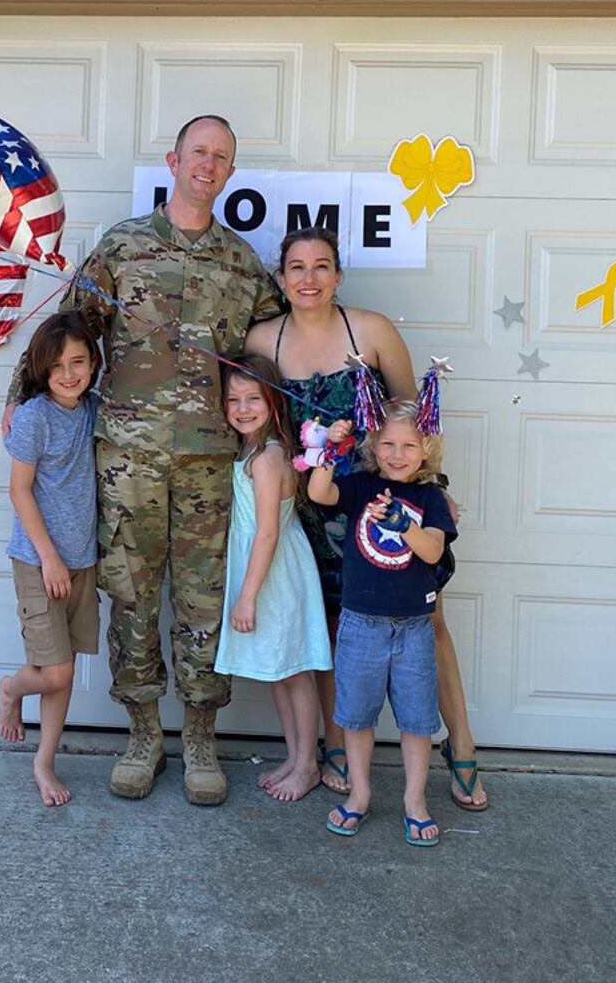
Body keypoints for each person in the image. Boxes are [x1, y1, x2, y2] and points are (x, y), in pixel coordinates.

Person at [4, 114, 283, 805]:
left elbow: (274, 354)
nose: (207, 165)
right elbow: (68, 330)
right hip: (126, 458)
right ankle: (141, 734)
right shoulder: (122, 247)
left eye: (221, 156)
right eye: (198, 152)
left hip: (208, 463)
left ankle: (198, 736)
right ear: (173, 160)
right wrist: (20, 394)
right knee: (129, 597)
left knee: (201, 602)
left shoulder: (243, 264)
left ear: (229, 171)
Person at [244, 227, 489, 810]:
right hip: (314, 504)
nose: (309, 278)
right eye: (297, 267)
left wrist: (436, 489)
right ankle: (335, 746)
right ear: (280, 278)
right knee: (335, 626)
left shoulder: (371, 330)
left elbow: (418, 419)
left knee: (428, 625)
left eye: (322, 266)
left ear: (338, 275)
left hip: (386, 507)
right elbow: (245, 412)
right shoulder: (260, 338)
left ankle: (462, 746)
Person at [307, 401, 457, 846]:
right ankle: (360, 794)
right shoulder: (361, 487)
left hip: (413, 629)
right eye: (387, 443)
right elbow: (320, 494)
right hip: (360, 625)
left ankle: (415, 800)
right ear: (373, 445)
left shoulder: (431, 499)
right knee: (356, 717)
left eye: (409, 445)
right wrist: (330, 453)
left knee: (417, 721)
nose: (397, 453)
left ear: (426, 449)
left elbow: (431, 551)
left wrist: (401, 524)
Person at [213, 354, 333, 802]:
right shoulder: (252, 448)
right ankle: (295, 756)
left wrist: (246, 596)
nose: (243, 408)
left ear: (273, 402)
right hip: (267, 567)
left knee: (295, 671)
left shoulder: (268, 456)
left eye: (253, 399)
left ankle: (308, 765)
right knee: (280, 671)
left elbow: (266, 531)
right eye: (233, 400)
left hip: (275, 572)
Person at [0, 312, 103, 807]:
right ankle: (11, 689)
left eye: (78, 362)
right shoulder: (35, 416)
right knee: (54, 672)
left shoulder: (93, 410)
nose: (68, 373)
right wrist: (49, 558)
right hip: (41, 560)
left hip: (82, 558)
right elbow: (19, 491)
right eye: (57, 365)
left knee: (65, 668)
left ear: (93, 364)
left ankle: (45, 760)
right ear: (41, 369)